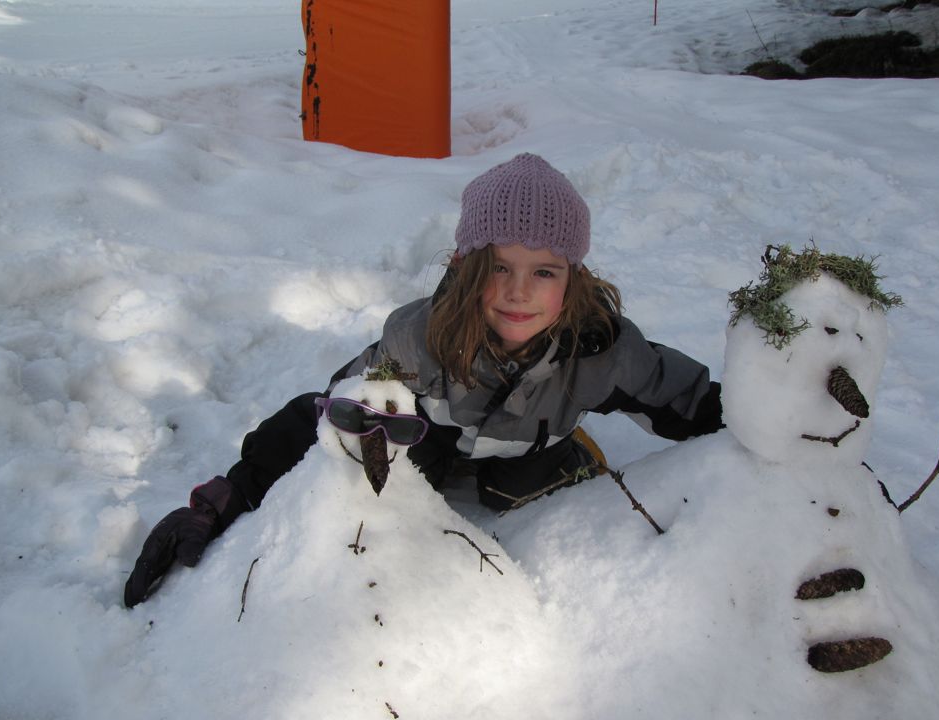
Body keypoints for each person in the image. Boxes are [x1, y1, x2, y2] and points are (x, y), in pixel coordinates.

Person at [124, 153, 723, 607]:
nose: (520, 291)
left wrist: (787, 420)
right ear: (465, 269)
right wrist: (216, 505)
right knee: (392, 481)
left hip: (532, 449)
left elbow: (692, 401)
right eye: (499, 268)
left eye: (544, 271)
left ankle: (564, 464)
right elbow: (330, 416)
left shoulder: (603, 351)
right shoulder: (418, 339)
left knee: (521, 496)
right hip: (434, 438)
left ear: (574, 277)